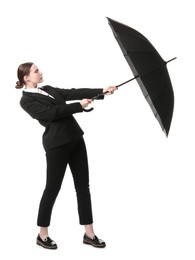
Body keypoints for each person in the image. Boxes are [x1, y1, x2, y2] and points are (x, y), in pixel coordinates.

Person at [15, 62, 117, 250]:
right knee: (52, 188)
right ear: (26, 78)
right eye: (36, 71)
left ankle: (89, 233)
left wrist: (102, 91)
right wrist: (78, 106)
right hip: (56, 145)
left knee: (83, 187)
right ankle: (42, 234)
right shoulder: (26, 101)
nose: (41, 72)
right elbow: (52, 113)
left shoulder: (48, 89)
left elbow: (72, 92)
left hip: (76, 139)